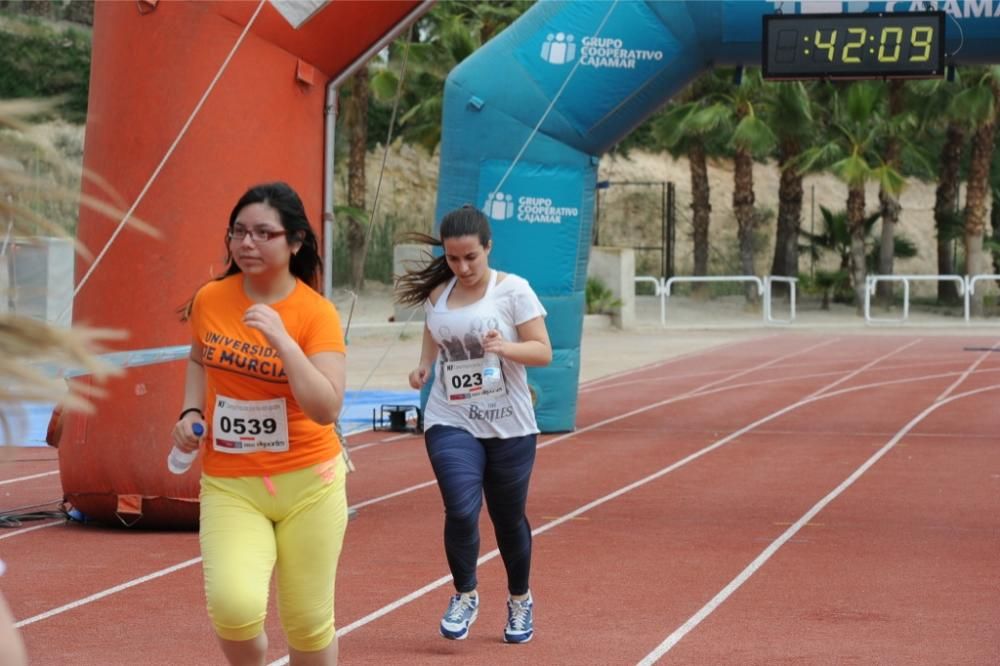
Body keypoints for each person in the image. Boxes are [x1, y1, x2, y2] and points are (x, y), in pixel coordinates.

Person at [172, 182, 347, 666]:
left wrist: (284, 342)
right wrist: (190, 412)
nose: (246, 243)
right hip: (231, 482)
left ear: (294, 242)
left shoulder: (316, 314)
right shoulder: (210, 298)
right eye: (238, 232)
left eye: (262, 233)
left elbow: (326, 408)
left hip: (310, 483)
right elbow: (198, 358)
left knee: (309, 625)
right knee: (233, 607)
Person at [395, 205, 552, 644]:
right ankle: (465, 593)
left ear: (488, 248)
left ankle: (520, 599)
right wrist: (424, 366)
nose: (461, 267)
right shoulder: (438, 294)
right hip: (451, 417)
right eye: (452, 259)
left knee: (507, 519)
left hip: (510, 425)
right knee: (461, 509)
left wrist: (505, 347)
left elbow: (543, 351)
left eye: (470, 258)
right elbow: (434, 329)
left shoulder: (514, 291)